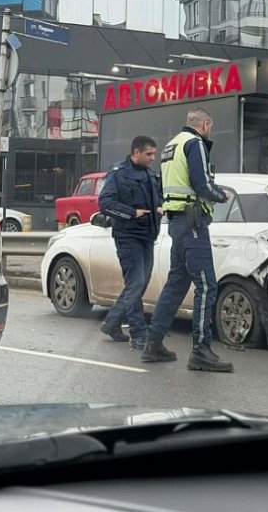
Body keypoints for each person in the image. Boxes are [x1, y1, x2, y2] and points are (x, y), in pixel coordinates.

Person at [141, 107, 234, 372]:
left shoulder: (171, 146)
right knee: (207, 285)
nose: (210, 131)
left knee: (176, 283)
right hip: (193, 221)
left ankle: (153, 343)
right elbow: (202, 183)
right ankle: (201, 350)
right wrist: (220, 194)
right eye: (210, 127)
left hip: (177, 222)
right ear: (205, 124)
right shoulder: (195, 144)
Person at [98, 135, 163, 350]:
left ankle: (112, 322)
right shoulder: (118, 173)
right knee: (135, 284)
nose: (153, 158)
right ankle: (138, 334)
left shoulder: (151, 175)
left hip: (148, 236)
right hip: (128, 237)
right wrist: (131, 213)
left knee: (140, 284)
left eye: (154, 154)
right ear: (136, 152)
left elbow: (158, 199)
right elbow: (105, 203)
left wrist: (161, 208)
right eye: (149, 154)